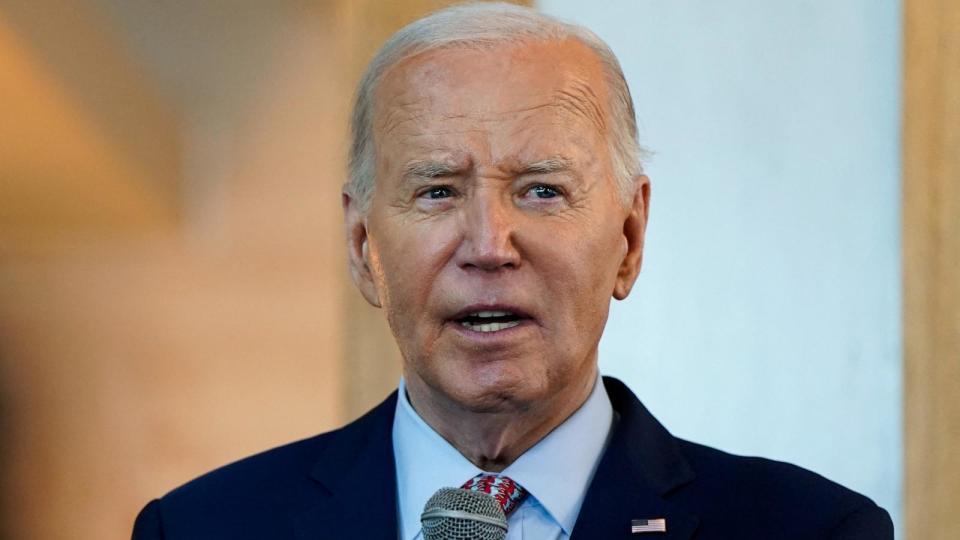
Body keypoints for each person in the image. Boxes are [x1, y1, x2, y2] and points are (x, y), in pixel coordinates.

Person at [132, 3, 893, 539]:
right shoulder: (203, 527)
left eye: (542, 190)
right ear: (364, 247)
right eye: (437, 191)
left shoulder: (810, 529)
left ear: (628, 238)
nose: (490, 244)